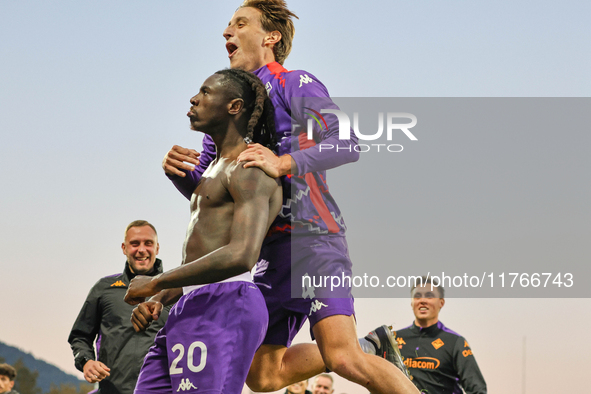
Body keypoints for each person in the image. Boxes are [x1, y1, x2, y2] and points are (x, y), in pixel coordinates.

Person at [158, 1, 416, 394]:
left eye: (239, 23)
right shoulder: (229, 110)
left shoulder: (293, 82)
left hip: (312, 237)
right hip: (268, 253)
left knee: (342, 358)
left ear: (271, 37)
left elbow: (347, 142)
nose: (227, 32)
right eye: (227, 26)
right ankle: (372, 344)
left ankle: (365, 351)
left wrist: (283, 162)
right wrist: (180, 173)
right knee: (262, 376)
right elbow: (210, 196)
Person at [124, 68, 282, 394]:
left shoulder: (251, 169)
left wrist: (156, 280)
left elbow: (242, 255)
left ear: (234, 106)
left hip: (227, 304)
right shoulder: (212, 168)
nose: (195, 99)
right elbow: (208, 248)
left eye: (206, 92)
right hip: (188, 305)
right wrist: (161, 297)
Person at [67, 221, 169, 394]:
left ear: (157, 248)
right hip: (113, 390)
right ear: (124, 248)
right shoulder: (104, 288)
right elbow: (80, 336)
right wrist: (86, 361)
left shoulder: (173, 291)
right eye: (134, 243)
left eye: (148, 243)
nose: (141, 249)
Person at [395, 276, 487, 394]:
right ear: (411, 302)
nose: (422, 300)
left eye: (429, 296)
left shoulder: (455, 342)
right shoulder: (394, 340)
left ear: (441, 302)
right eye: (417, 296)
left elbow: (477, 389)